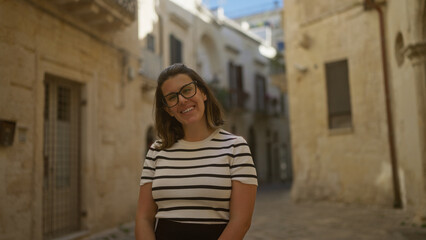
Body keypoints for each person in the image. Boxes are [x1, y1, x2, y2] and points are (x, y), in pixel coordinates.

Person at [135, 63, 258, 240]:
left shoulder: (236, 147)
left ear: (203, 93)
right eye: (172, 97)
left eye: (187, 90)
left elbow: (241, 221)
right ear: (168, 109)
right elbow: (143, 218)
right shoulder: (156, 151)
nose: (182, 100)